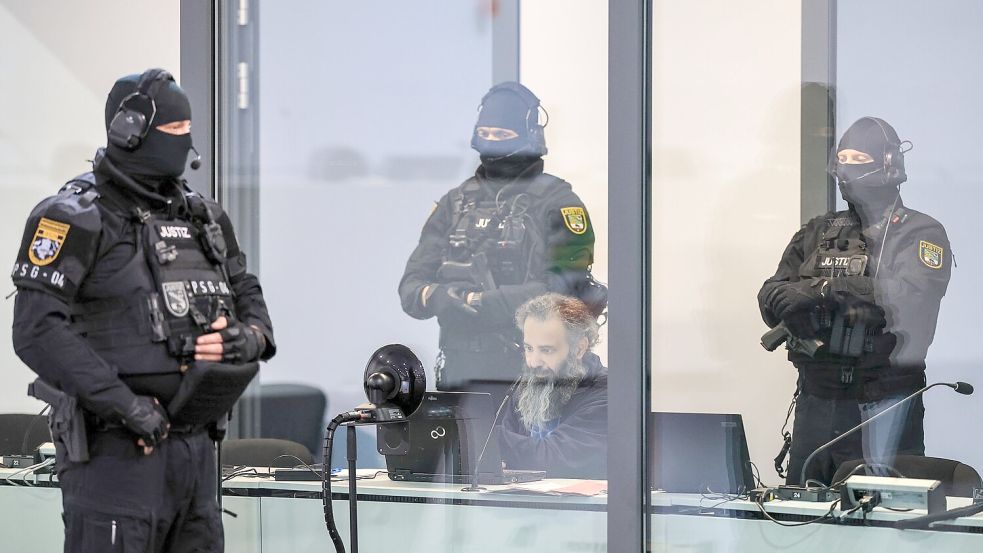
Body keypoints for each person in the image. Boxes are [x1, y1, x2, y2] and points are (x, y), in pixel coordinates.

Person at [11, 69, 275, 552]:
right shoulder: (73, 216)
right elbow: (35, 331)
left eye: (187, 132)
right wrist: (126, 406)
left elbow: (249, 296)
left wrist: (248, 338)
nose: (185, 142)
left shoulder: (203, 216)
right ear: (128, 132)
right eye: (173, 132)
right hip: (115, 456)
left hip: (196, 453)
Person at [758, 116, 951, 485]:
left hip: (882, 401)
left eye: (859, 160)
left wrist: (824, 292)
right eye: (843, 159)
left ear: (889, 165)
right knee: (801, 507)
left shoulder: (922, 233)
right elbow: (771, 292)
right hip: (817, 400)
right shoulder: (817, 230)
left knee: (882, 510)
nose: (848, 170)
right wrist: (786, 300)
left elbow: (908, 297)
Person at [398, 82, 598, 405]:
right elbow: (410, 286)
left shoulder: (558, 203)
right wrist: (438, 297)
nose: (491, 144)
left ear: (528, 136)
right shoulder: (455, 203)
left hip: (533, 378)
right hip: (460, 378)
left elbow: (565, 290)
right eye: (486, 134)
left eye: (502, 136)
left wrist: (482, 302)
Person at [496, 293, 607, 479]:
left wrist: (483, 437)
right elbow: (502, 459)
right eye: (529, 348)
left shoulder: (605, 391)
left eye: (546, 350)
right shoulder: (529, 386)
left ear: (579, 349)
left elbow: (553, 459)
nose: (533, 362)